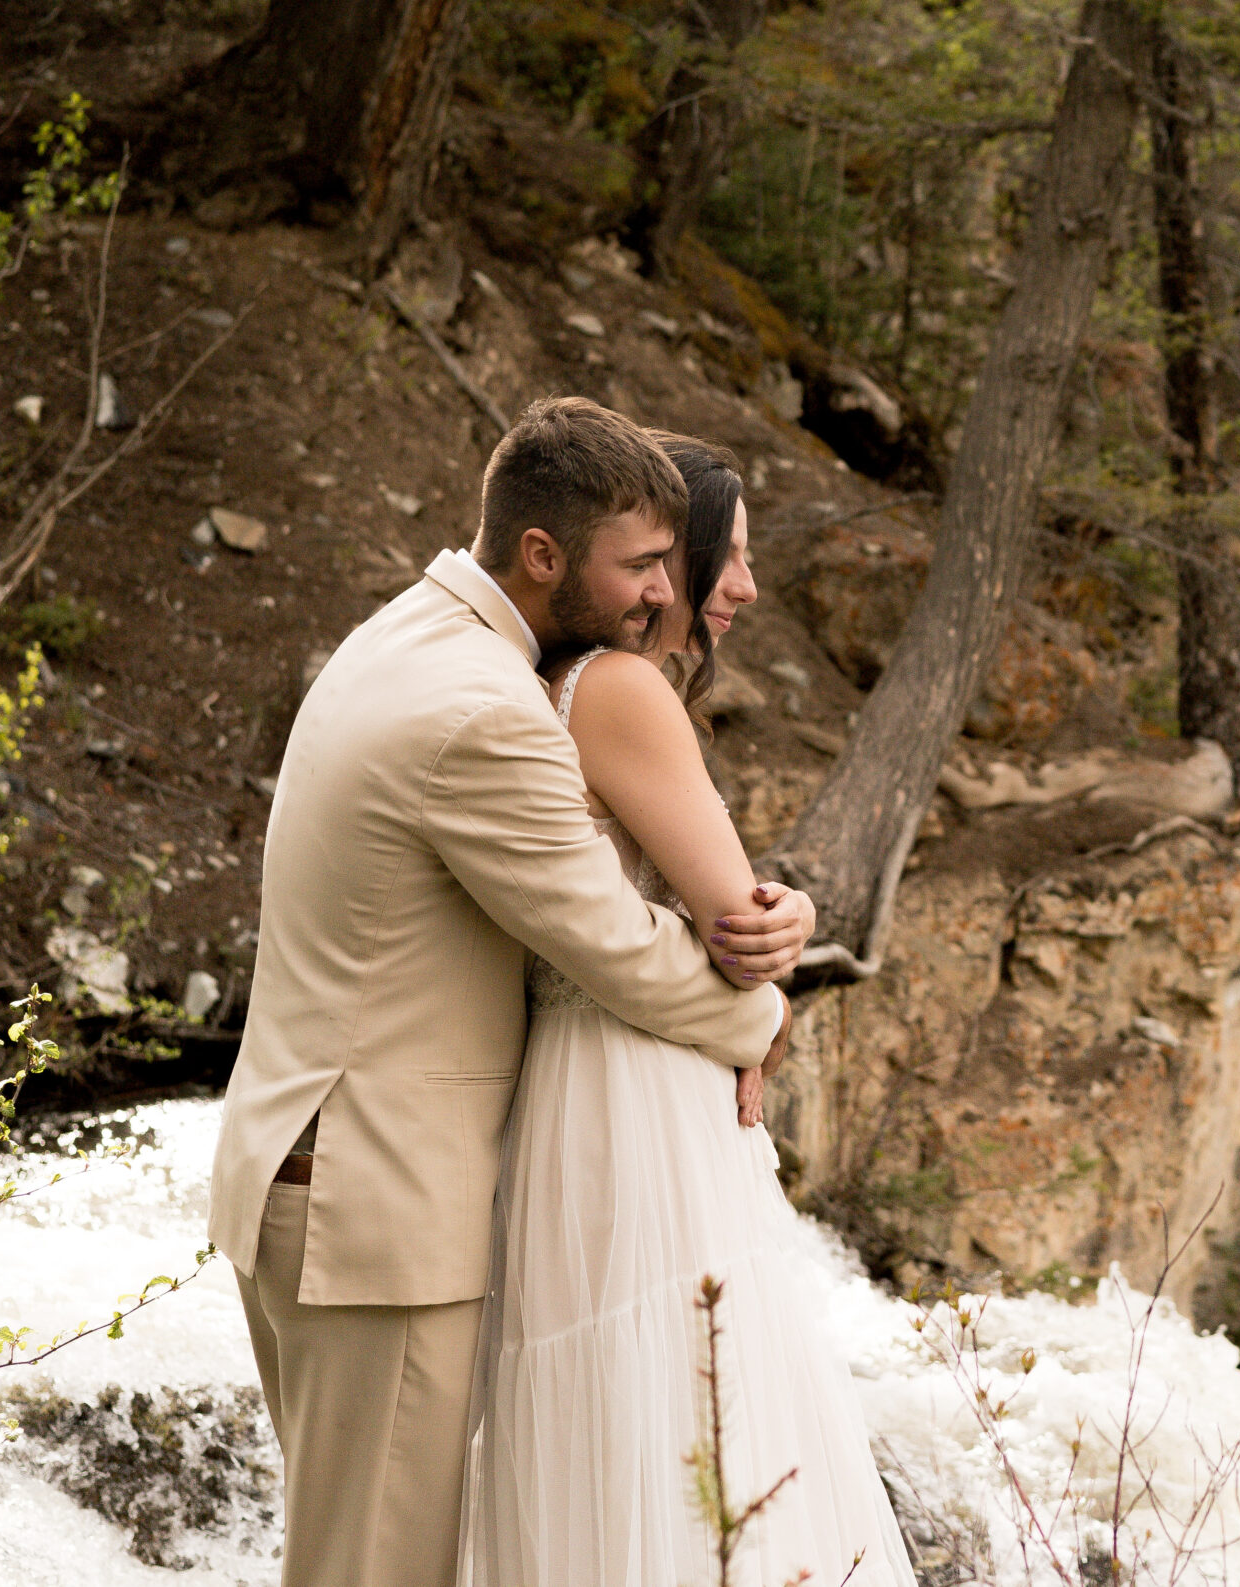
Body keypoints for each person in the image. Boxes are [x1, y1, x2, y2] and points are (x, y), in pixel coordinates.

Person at [206, 398, 816, 1587]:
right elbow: (608, 942)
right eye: (642, 564)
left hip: (313, 1170)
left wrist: (768, 911)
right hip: (372, 1205)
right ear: (543, 557)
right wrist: (762, 1018)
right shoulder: (485, 710)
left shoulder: (410, 633)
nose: (665, 591)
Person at [462, 434, 917, 1587]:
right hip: (636, 1093)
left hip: (586, 1083)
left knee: (622, 1418)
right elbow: (735, 935)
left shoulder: (562, 685)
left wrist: (789, 913)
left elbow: (743, 919)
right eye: (731, 560)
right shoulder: (619, 690)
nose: (746, 589)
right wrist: (775, 968)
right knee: (684, 1404)